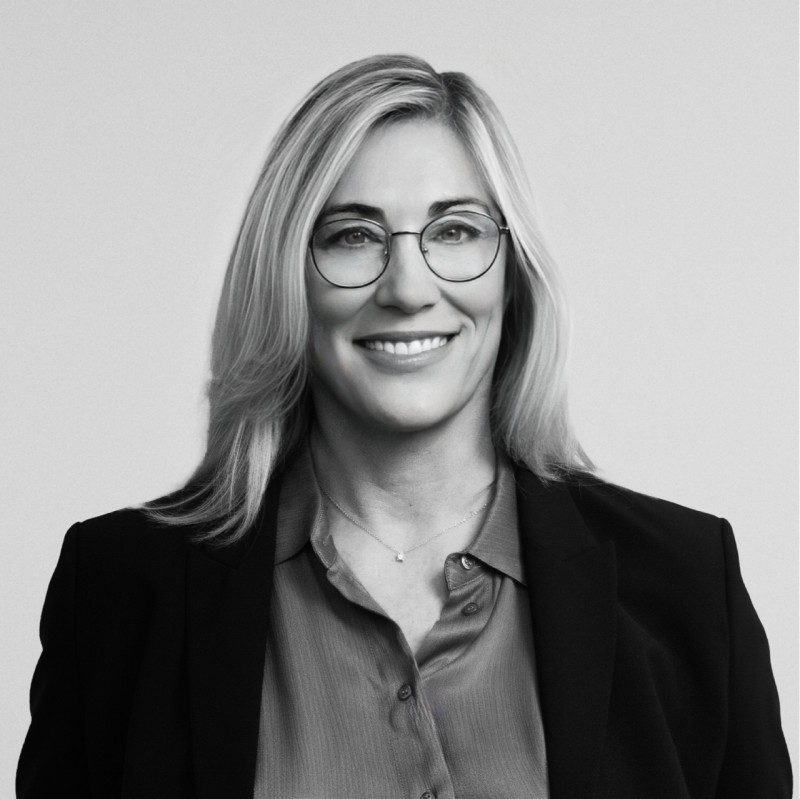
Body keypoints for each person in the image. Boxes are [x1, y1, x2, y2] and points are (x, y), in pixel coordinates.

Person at [17, 54, 791, 799]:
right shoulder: (120, 589)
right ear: (286, 275)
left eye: (455, 230)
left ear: (511, 272)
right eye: (352, 235)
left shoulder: (686, 583)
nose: (409, 287)